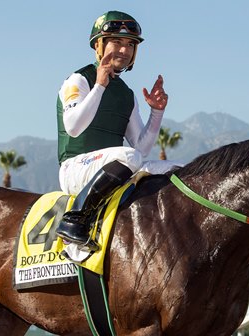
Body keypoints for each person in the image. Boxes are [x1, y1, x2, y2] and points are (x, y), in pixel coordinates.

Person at [55, 10, 168, 251]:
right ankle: (74, 219)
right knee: (128, 156)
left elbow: (141, 147)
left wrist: (157, 112)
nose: (124, 50)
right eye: (117, 42)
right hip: (75, 170)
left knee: (178, 169)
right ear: (98, 45)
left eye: (130, 44)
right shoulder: (78, 80)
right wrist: (99, 86)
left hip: (114, 166)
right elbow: (73, 127)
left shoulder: (126, 93)